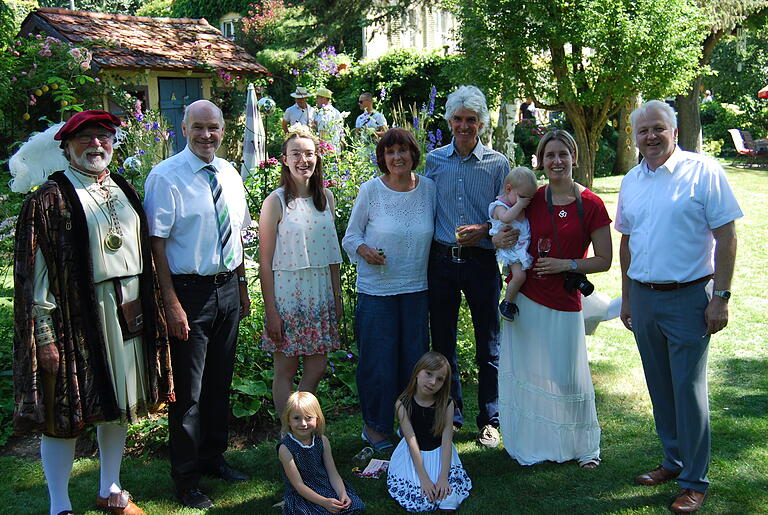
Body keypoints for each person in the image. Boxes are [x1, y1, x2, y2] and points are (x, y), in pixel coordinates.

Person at [12, 110, 174, 515]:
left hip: (128, 312)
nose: (96, 144)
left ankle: (110, 489)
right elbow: (35, 277)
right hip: (76, 321)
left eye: (104, 137)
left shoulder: (121, 186)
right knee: (62, 414)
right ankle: (59, 504)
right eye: (85, 138)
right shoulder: (48, 199)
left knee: (117, 405)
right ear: (66, 147)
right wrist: (44, 336)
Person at [616, 100, 742, 513]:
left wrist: (720, 298)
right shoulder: (633, 179)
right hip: (645, 297)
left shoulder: (704, 172)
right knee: (660, 386)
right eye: (643, 131)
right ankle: (673, 460)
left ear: (674, 131)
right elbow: (627, 240)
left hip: (690, 298)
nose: (650, 136)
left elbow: (726, 235)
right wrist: (629, 296)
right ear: (635, 137)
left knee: (688, 391)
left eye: (658, 128)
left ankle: (695, 480)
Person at [144, 99, 252, 509]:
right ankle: (186, 480)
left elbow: (237, 238)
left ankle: (213, 457)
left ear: (224, 130)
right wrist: (170, 303)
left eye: (214, 128)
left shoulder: (229, 173)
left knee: (219, 384)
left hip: (226, 289)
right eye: (199, 127)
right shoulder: (166, 176)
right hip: (188, 293)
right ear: (184, 128)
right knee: (188, 394)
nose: (207, 135)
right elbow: (156, 244)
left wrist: (241, 288)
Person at [495, 129, 612, 469]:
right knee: (529, 371)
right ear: (541, 161)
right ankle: (530, 441)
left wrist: (567, 264)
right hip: (527, 299)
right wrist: (501, 239)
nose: (557, 161)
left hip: (564, 300)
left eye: (563, 154)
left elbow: (603, 259)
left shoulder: (590, 203)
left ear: (574, 157)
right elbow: (503, 235)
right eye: (550, 155)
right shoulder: (531, 200)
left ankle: (584, 447)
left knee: (568, 374)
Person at [425, 85, 510, 447]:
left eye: (471, 120)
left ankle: (490, 418)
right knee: (443, 345)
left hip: (481, 262)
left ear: (482, 123)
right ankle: (451, 415)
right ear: (448, 121)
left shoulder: (497, 163)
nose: (463, 126)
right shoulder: (434, 161)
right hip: (441, 260)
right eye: (458, 119)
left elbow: (509, 218)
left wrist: (486, 229)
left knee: (488, 344)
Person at [342, 128, 436, 451]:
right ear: (382, 157)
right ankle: (376, 428)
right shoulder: (370, 191)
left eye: (403, 151)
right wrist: (365, 251)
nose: (397, 157)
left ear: (413, 154)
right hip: (376, 291)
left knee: (414, 361)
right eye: (390, 152)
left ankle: (409, 425)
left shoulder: (429, 190)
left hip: (415, 288)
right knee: (378, 361)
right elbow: (350, 237)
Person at [259, 128, 343, 416]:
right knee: (286, 369)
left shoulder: (326, 199)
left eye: (309, 154)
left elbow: (332, 255)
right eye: (296, 154)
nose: (303, 160)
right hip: (288, 299)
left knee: (317, 367)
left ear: (317, 158)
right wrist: (271, 311)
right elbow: (265, 260)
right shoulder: (276, 202)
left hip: (319, 296)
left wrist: (337, 297)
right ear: (285, 159)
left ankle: (301, 420)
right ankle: (290, 434)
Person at [387, 351, 472, 512]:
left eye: (439, 379)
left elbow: (446, 441)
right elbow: (411, 441)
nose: (432, 382)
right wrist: (424, 479)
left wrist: (443, 477)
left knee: (447, 495)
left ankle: (444, 484)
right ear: (417, 372)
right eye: (428, 374)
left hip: (441, 454)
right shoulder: (403, 403)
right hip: (414, 456)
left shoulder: (447, 404)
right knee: (422, 499)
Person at [277, 391, 365, 514]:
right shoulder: (285, 448)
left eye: (308, 418)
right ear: (288, 420)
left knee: (355, 505)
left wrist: (342, 494)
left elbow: (332, 472)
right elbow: (298, 485)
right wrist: (324, 502)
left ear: (317, 419)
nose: (303, 423)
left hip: (324, 485)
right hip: (303, 493)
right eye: (297, 418)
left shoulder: (322, 441)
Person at [489, 166, 538, 321]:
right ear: (508, 189)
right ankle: (506, 303)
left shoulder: (519, 203)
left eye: (529, 199)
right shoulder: (499, 206)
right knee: (519, 276)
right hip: (511, 248)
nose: (526, 202)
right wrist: (520, 204)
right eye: (522, 197)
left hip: (520, 247)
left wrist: (522, 202)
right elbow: (506, 218)